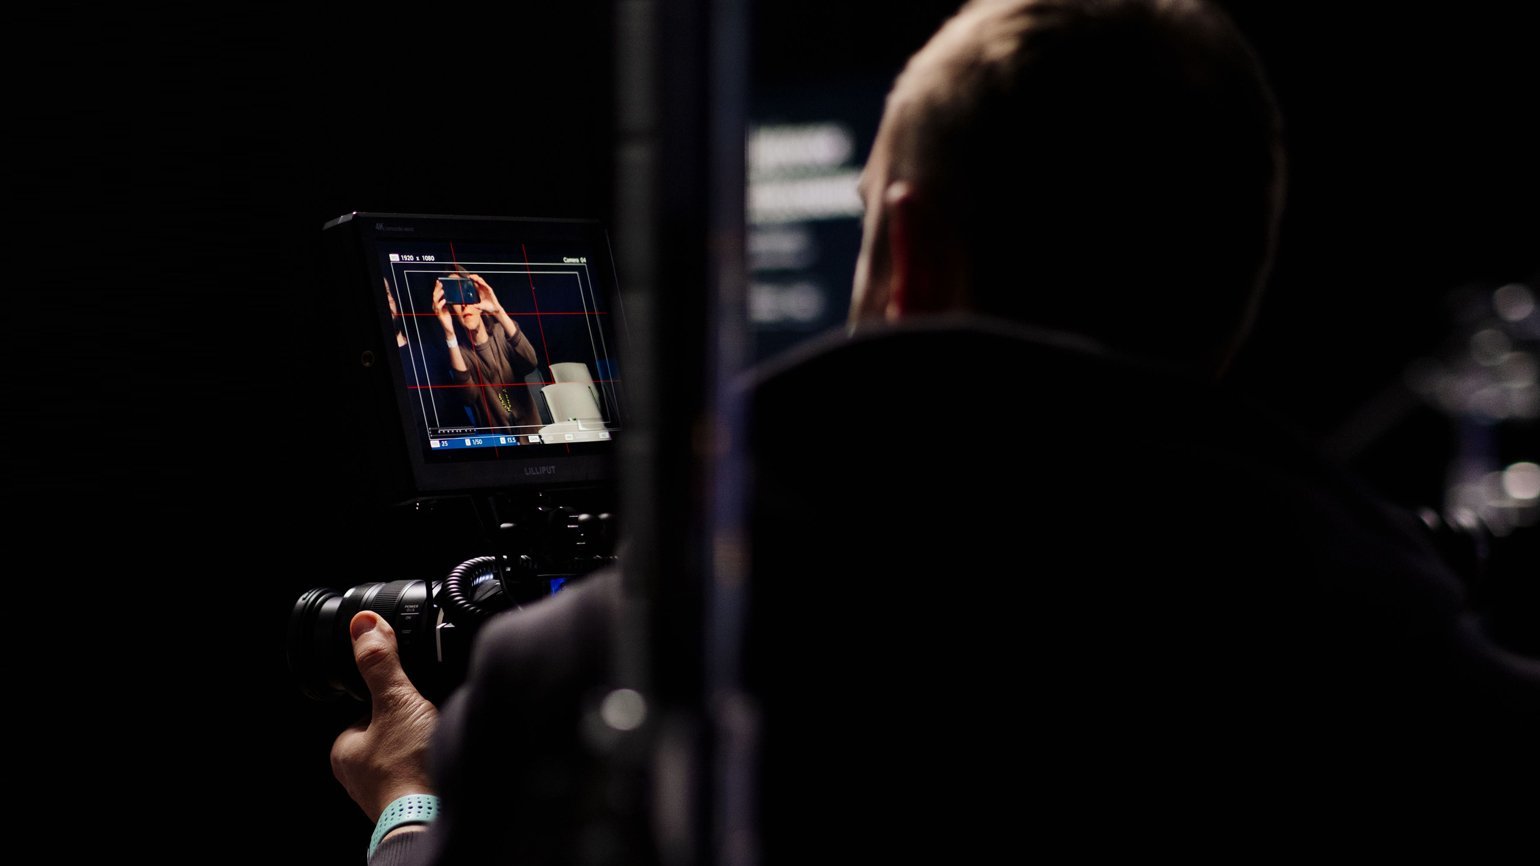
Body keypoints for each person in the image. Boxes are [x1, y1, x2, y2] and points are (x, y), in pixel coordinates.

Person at [329, 1, 1540, 861]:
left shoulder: (622, 666)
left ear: (906, 248)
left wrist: (411, 806)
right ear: (1233, 284)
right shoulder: (1425, 679)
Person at [433, 272, 543, 433]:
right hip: (496, 444)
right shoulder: (459, 353)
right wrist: (449, 334)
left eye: (466, 291)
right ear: (450, 308)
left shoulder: (502, 331)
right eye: (455, 295)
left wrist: (498, 311)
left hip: (534, 437)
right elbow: (468, 397)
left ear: (478, 296)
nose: (463, 304)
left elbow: (531, 362)